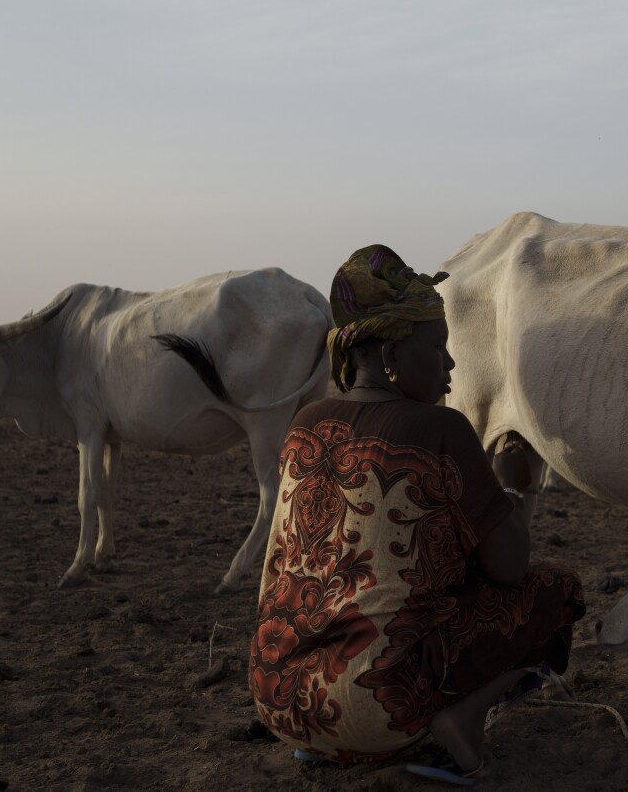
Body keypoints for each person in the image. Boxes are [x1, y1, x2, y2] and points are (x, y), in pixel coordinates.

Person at [248, 244, 585, 785]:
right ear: (392, 356)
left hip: (279, 698)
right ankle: (461, 719)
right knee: (557, 589)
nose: (450, 364)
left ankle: (326, 748)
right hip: (379, 704)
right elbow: (510, 569)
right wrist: (514, 490)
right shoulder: (441, 429)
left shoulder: (305, 421)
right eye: (438, 346)